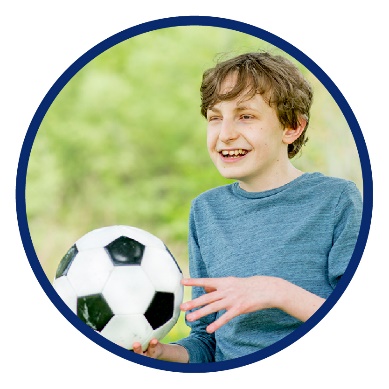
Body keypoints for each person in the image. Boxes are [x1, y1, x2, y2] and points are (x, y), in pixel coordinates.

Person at [132, 51, 363, 362]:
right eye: (215, 118)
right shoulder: (206, 210)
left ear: (291, 127)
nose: (225, 134)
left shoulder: (336, 201)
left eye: (246, 116)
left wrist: (276, 291)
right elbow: (206, 340)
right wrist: (164, 354)